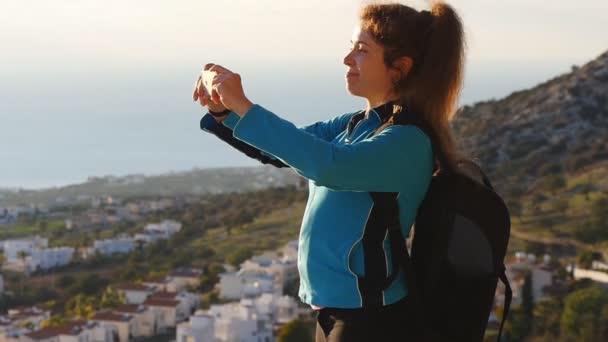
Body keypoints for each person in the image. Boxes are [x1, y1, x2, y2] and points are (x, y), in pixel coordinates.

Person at [193, 1, 466, 340]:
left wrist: (242, 104)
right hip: (336, 312)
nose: (347, 59)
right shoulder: (356, 125)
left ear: (400, 67)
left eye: (362, 50)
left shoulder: (406, 140)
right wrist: (224, 112)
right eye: (351, 48)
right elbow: (282, 149)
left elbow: (329, 167)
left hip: (370, 318)